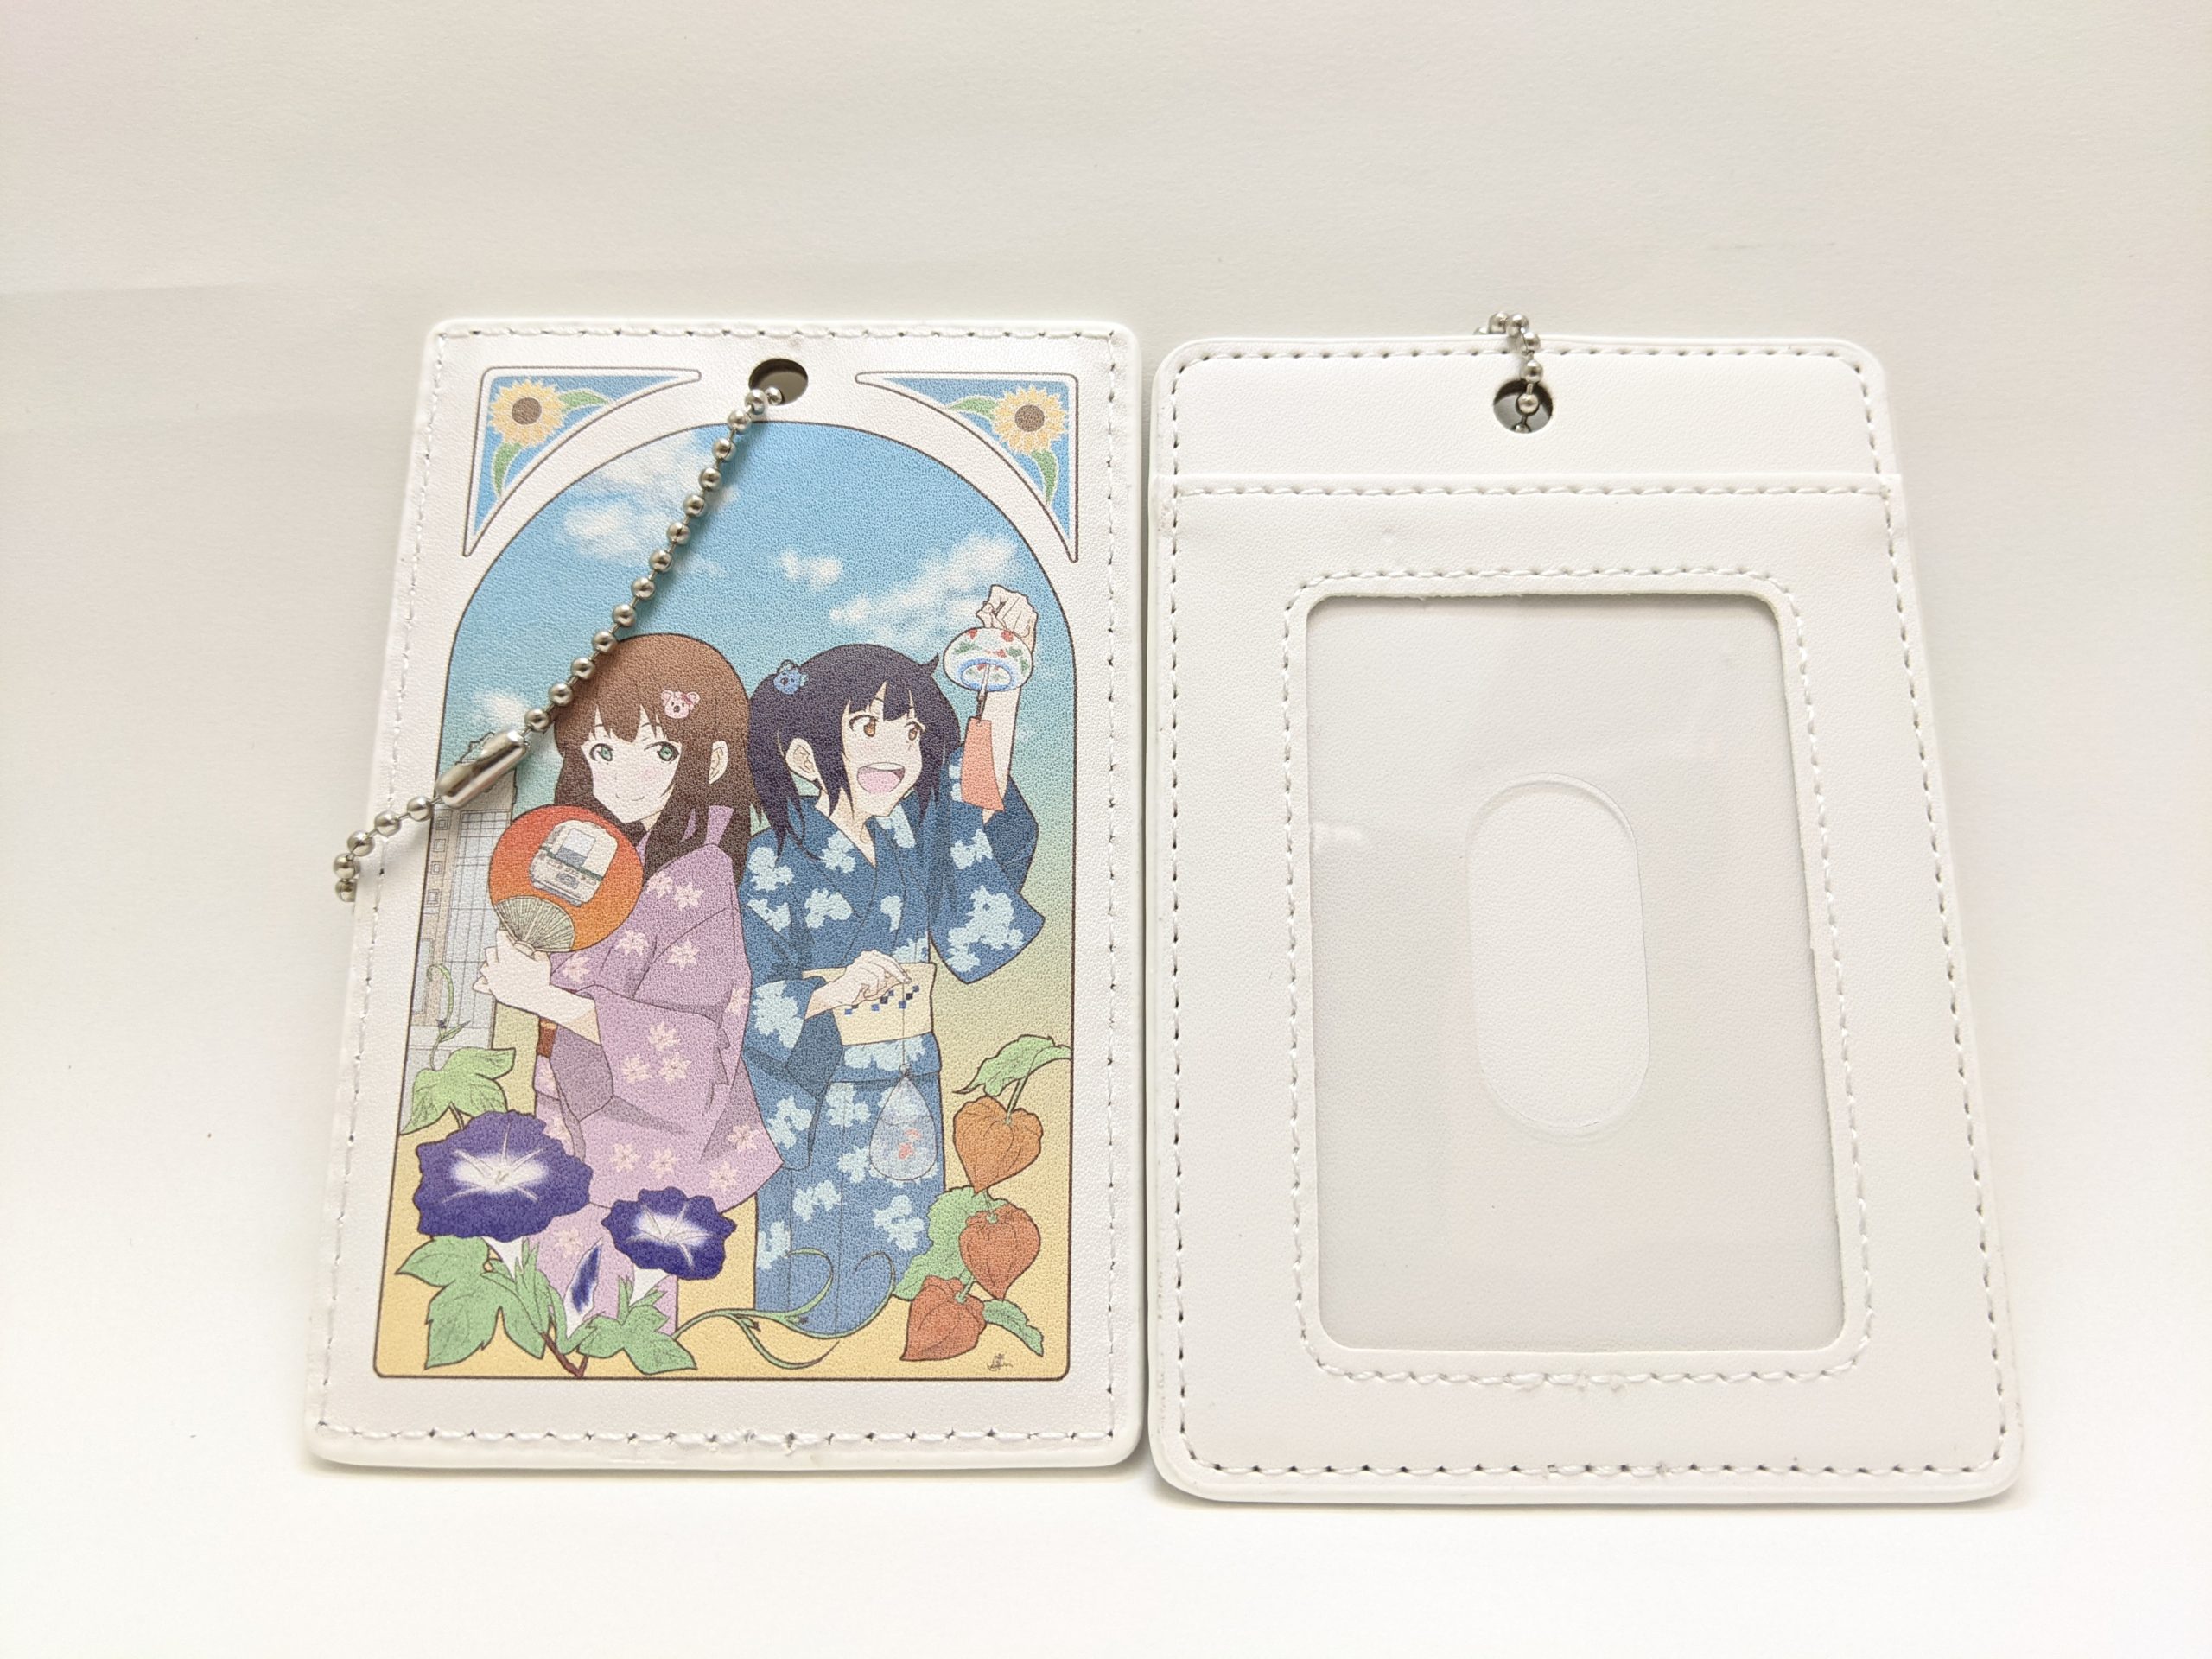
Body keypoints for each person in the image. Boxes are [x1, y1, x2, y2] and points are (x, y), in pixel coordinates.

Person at [740, 588, 1044, 1332]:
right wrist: (830, 991)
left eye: (910, 733)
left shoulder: (909, 835)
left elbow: (976, 804)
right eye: (867, 727)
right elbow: (742, 993)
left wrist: (1001, 687)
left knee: (910, 1245)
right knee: (818, 1280)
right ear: (805, 755)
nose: (894, 752)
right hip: (821, 1087)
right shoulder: (771, 859)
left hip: (910, 1075)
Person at [472, 632, 778, 1328]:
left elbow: (690, 1051)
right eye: (603, 751)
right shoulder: (607, 856)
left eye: (661, 751)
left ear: (712, 759)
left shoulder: (700, 877)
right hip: (570, 1119)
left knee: (614, 1315)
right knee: (554, 1305)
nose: (623, 775)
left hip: (639, 1146)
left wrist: (545, 998)